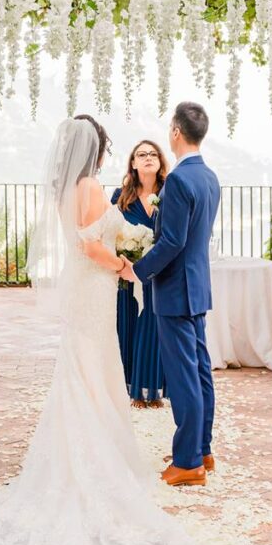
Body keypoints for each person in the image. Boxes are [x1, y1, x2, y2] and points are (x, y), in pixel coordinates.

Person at [0, 115, 190, 545]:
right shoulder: (88, 187)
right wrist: (125, 264)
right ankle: (93, 461)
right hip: (95, 287)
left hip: (89, 292)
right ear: (96, 150)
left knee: (86, 367)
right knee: (94, 365)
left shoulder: (66, 189)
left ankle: (82, 450)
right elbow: (90, 246)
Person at [122, 102, 221, 489]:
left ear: (176, 132)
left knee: (183, 377)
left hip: (175, 290)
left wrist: (138, 270)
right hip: (196, 286)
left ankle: (188, 462)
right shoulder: (209, 176)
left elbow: (172, 241)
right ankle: (203, 448)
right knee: (199, 370)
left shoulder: (179, 181)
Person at [111, 140, 168, 408]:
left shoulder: (170, 194)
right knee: (128, 325)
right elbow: (111, 235)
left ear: (160, 162)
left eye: (153, 154)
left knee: (155, 328)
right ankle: (132, 389)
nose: (147, 158)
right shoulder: (120, 197)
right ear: (133, 163)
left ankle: (154, 390)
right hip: (126, 274)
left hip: (159, 273)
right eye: (141, 154)